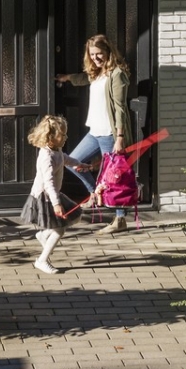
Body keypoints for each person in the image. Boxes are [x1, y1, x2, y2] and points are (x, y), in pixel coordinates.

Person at [56, 34, 134, 235]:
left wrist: (120, 137)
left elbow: (120, 108)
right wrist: (66, 78)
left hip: (109, 133)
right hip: (95, 130)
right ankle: (94, 193)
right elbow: (83, 78)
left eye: (99, 53)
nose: (96, 58)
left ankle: (120, 219)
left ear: (108, 51)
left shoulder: (117, 74)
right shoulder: (97, 73)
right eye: (92, 54)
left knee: (115, 177)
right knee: (73, 162)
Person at [18, 114, 89, 274]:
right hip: (45, 196)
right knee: (60, 229)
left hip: (52, 195)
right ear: (50, 137)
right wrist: (56, 204)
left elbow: (63, 158)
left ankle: (43, 235)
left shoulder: (56, 150)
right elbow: (49, 182)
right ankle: (41, 260)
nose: (66, 137)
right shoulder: (46, 157)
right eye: (62, 134)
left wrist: (78, 164)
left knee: (71, 219)